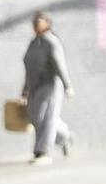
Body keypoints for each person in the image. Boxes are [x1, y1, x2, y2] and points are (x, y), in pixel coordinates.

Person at [21, 10, 75, 165]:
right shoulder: (33, 43)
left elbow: (59, 64)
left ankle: (43, 152)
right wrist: (25, 89)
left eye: (40, 21)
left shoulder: (51, 41)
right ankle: (65, 136)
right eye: (35, 21)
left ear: (47, 23)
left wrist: (68, 85)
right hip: (34, 86)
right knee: (36, 117)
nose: (36, 24)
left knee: (46, 117)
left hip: (50, 85)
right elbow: (29, 68)